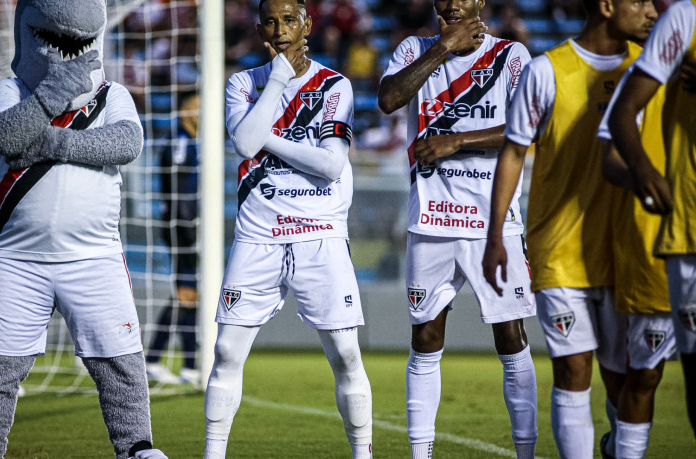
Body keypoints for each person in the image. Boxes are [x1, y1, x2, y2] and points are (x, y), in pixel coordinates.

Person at [0, 1, 166, 458]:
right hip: (18, 258)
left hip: (96, 257)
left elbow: (126, 143)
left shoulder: (112, 95)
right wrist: (53, 93)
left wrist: (50, 141)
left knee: (119, 363)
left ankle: (137, 447)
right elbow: (8, 137)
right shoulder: (9, 90)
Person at [482, 1, 658, 458]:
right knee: (573, 369)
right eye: (639, 2)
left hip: (626, 249)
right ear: (607, 6)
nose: (651, 12)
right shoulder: (545, 71)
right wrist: (495, 235)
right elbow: (513, 152)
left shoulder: (649, 70)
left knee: (623, 378)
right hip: (560, 247)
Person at [203, 0, 373, 458]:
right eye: (271, 22)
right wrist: (278, 79)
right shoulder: (243, 82)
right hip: (258, 236)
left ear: (307, 25)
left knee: (346, 353)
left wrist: (267, 138)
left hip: (321, 233)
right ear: (260, 30)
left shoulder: (334, 85)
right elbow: (244, 144)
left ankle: (363, 453)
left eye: (289, 20)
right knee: (226, 352)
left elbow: (331, 163)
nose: (280, 29)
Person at [377, 1, 537, 458]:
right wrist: (443, 48)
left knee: (511, 337)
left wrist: (457, 141)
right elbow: (389, 100)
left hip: (494, 221)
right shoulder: (415, 49)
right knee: (425, 339)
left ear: (480, 1)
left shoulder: (510, 56)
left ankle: (526, 453)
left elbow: (527, 128)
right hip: (432, 219)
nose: (452, 4)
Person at [607, 0, 696, 440]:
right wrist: (643, 175)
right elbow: (617, 134)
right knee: (648, 372)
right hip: (678, 234)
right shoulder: (684, 23)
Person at [596, 61, 677, 458]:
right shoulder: (644, 80)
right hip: (655, 247)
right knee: (643, 373)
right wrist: (645, 179)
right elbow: (611, 158)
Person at [145, 92, 201, 386]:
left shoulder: (189, 140)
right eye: (196, 106)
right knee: (186, 292)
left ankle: (190, 364)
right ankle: (155, 359)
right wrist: (187, 226)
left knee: (189, 294)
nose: (201, 112)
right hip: (180, 225)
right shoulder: (180, 140)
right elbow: (177, 187)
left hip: (184, 224)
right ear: (183, 111)